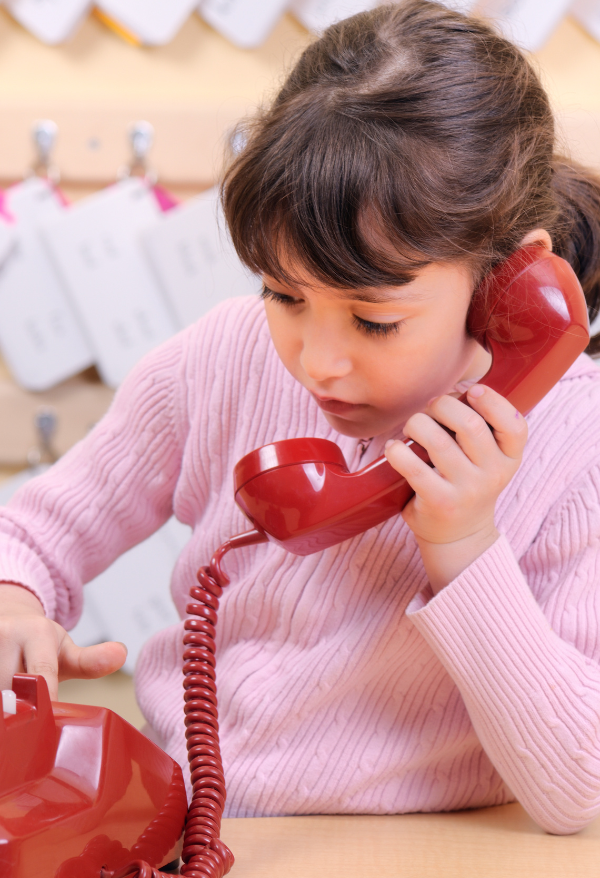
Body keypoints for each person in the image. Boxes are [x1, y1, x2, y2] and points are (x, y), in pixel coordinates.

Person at [1, 0, 599, 836]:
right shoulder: (218, 361)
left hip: (436, 856)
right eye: (283, 295)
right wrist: (15, 597)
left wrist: (463, 545)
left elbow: (576, 787)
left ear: (506, 280)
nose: (318, 360)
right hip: (204, 833)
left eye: (374, 320)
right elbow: (33, 531)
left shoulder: (580, 443)